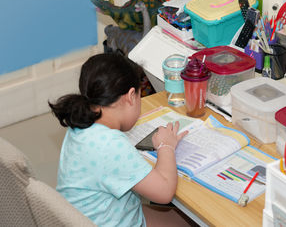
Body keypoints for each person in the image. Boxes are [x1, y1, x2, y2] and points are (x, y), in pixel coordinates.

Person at [48, 53, 194, 226]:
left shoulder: (80, 124)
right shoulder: (110, 145)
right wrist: (166, 146)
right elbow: (164, 193)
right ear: (131, 96)